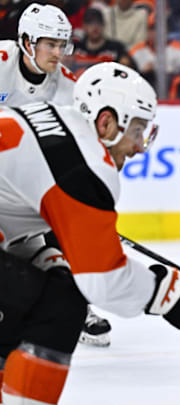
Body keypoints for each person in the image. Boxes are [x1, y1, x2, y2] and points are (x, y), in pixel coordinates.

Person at [0, 61, 180, 405]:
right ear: (106, 122)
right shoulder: (86, 164)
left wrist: (48, 259)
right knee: (60, 304)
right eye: (138, 130)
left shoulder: (52, 119)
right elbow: (103, 281)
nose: (140, 146)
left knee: (40, 294)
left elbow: (12, 217)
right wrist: (172, 295)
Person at [0, 2, 118, 349]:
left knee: (58, 226)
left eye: (62, 44)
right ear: (26, 42)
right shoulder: (1, 61)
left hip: (23, 178)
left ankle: (77, 302)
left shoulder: (67, 88)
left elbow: (78, 147)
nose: (58, 53)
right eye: (49, 44)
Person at [0, 3, 75, 106]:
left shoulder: (68, 84)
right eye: (51, 45)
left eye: (62, 46)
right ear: (28, 44)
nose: (58, 54)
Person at [70, 7, 134, 77]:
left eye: (98, 23)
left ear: (103, 25)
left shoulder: (116, 47)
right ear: (84, 26)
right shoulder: (75, 47)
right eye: (90, 23)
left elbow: (128, 69)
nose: (95, 27)